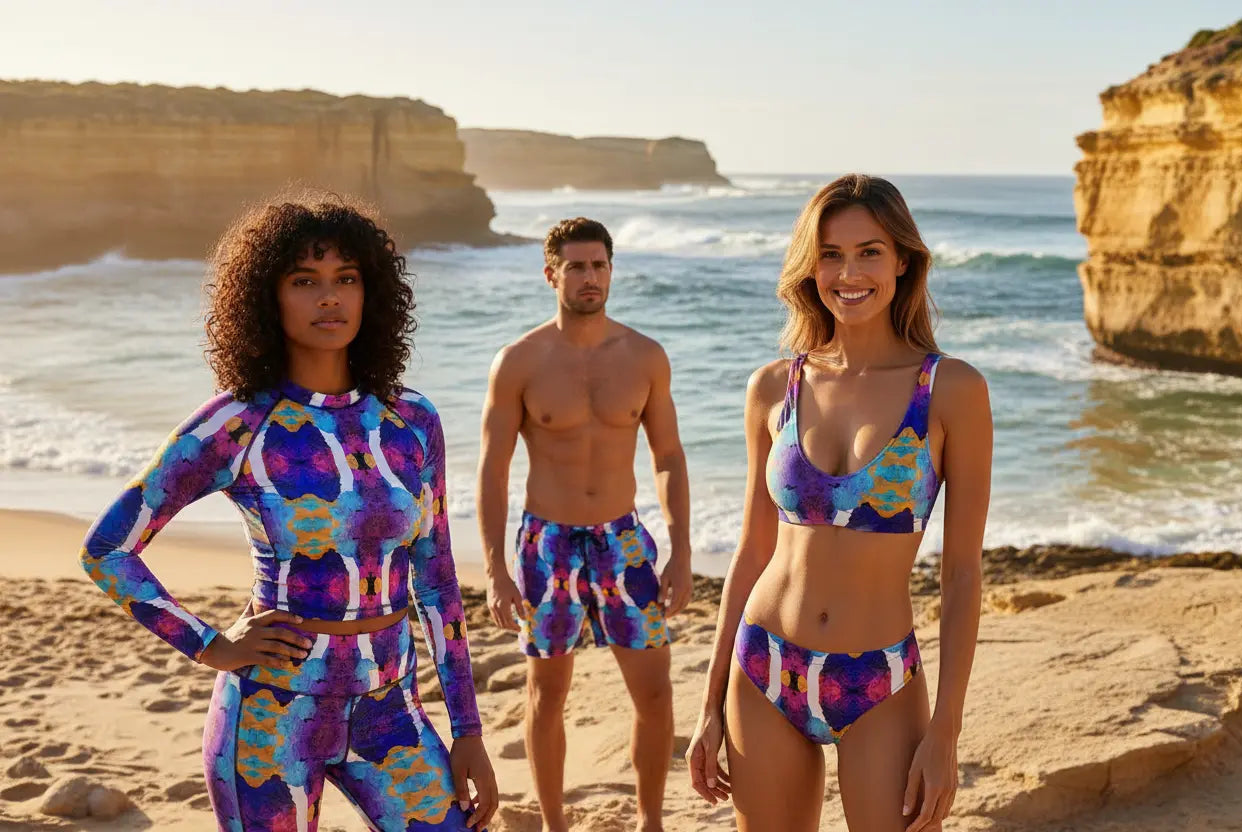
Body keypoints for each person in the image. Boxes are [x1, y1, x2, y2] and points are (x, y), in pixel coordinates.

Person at [79, 195, 498, 831]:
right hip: (270, 716)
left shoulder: (412, 420)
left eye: (346, 279)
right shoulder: (236, 422)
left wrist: (467, 730)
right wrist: (213, 646)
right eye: (305, 281)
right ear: (267, 299)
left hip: (391, 706)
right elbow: (107, 548)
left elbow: (437, 584)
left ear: (371, 293)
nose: (329, 297)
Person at [685, 174, 992, 832]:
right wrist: (709, 702)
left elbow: (963, 572)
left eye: (869, 252)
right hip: (764, 662)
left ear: (903, 260)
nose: (848, 273)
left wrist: (946, 734)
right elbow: (751, 551)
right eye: (830, 254)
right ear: (809, 265)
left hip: (879, 679)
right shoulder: (773, 387)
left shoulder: (950, 391)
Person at [477, 217, 692, 832]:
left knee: (654, 694)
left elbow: (669, 458)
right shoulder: (519, 360)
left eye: (599, 265)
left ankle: (650, 820)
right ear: (552, 274)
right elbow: (492, 473)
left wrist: (680, 552)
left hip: (621, 540)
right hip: (547, 545)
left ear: (611, 270)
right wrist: (496, 569)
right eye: (576, 266)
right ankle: (552, 823)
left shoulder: (645, 356)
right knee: (547, 694)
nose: (590, 277)